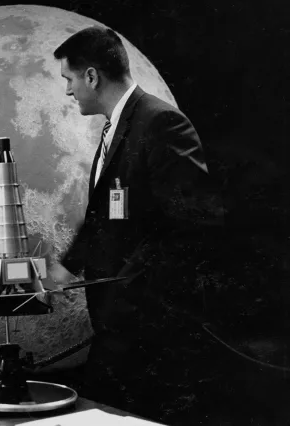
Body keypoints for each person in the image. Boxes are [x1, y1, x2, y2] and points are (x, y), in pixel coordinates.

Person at [50, 27, 224, 422]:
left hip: (148, 326)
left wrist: (130, 287)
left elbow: (196, 223)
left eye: (69, 79)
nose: (67, 90)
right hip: (121, 323)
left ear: (92, 76)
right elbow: (106, 215)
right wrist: (66, 267)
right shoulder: (118, 126)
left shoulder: (161, 123)